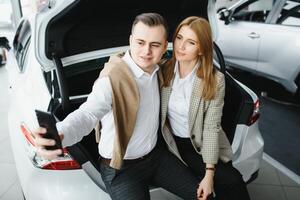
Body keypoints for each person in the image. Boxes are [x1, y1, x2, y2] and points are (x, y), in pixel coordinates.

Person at [32, 13, 200, 200]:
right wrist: (60, 133)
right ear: (130, 40)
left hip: (156, 158)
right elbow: (87, 114)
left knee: (203, 195)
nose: (146, 51)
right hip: (120, 169)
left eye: (155, 45)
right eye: (140, 42)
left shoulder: (159, 69)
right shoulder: (111, 79)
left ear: (164, 47)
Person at [160, 16, 251, 200]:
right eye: (179, 38)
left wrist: (209, 174)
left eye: (190, 42)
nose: (181, 46)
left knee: (231, 181)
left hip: (201, 141)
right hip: (175, 143)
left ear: (201, 49)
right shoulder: (163, 70)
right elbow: (134, 61)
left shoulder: (214, 80)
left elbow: (211, 127)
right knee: (228, 182)